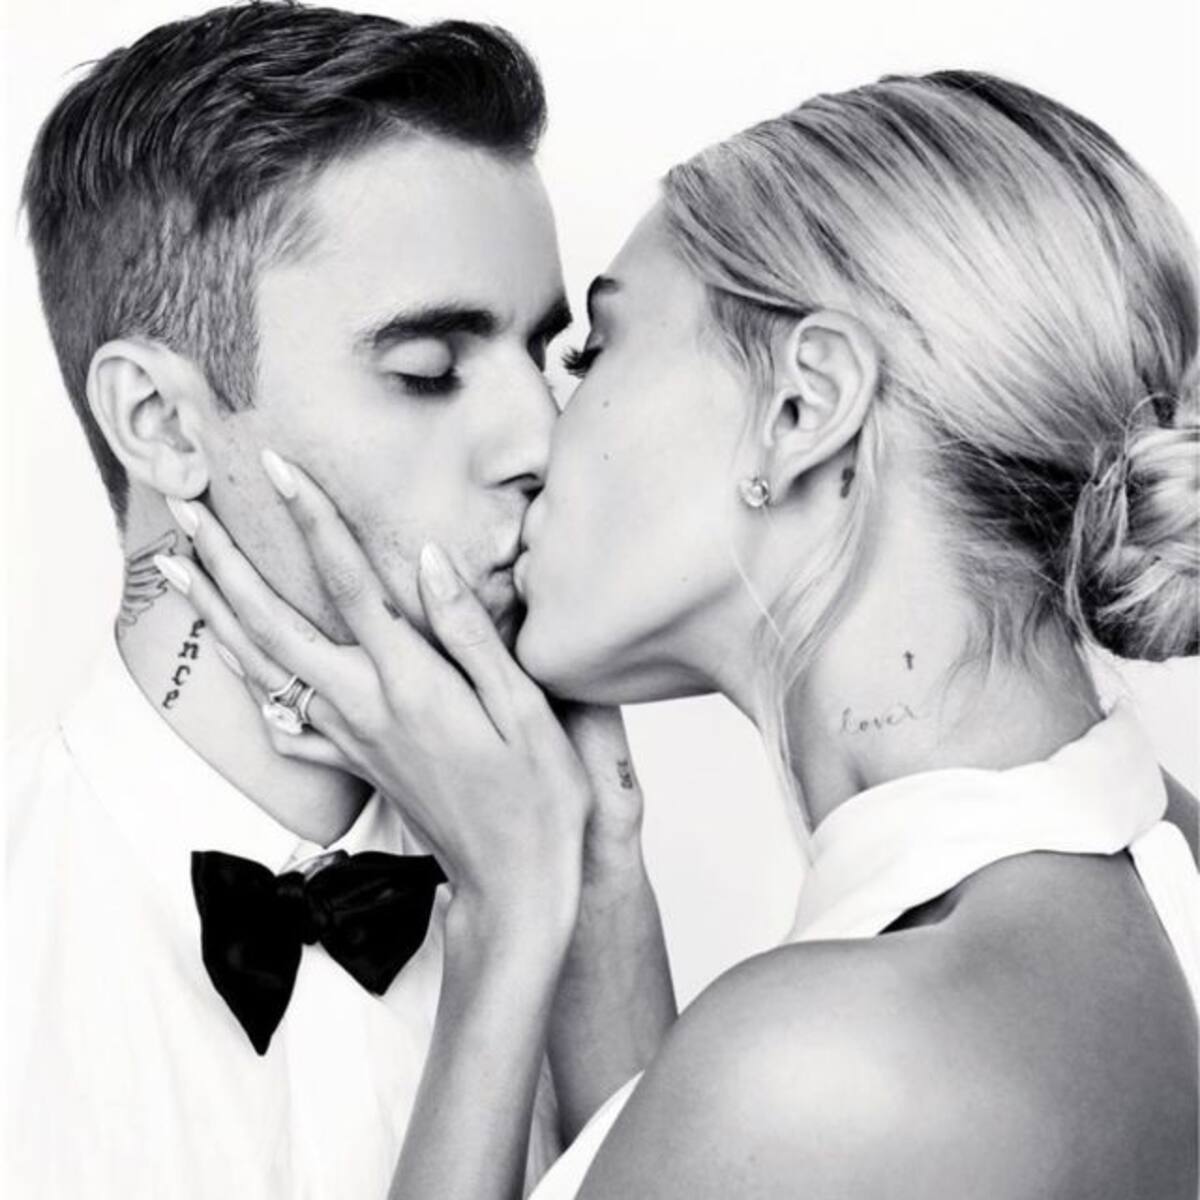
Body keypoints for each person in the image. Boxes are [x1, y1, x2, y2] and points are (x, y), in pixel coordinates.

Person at [171, 69, 1200, 1198]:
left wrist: (509, 915)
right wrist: (597, 875)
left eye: (591, 354)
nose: (535, 440)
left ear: (805, 408)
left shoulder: (825, 1065)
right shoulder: (1157, 851)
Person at [7, 5, 678, 1197]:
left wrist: (582, 877)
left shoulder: (565, 856)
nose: (543, 439)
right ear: (161, 425)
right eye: (429, 371)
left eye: (542, 355)